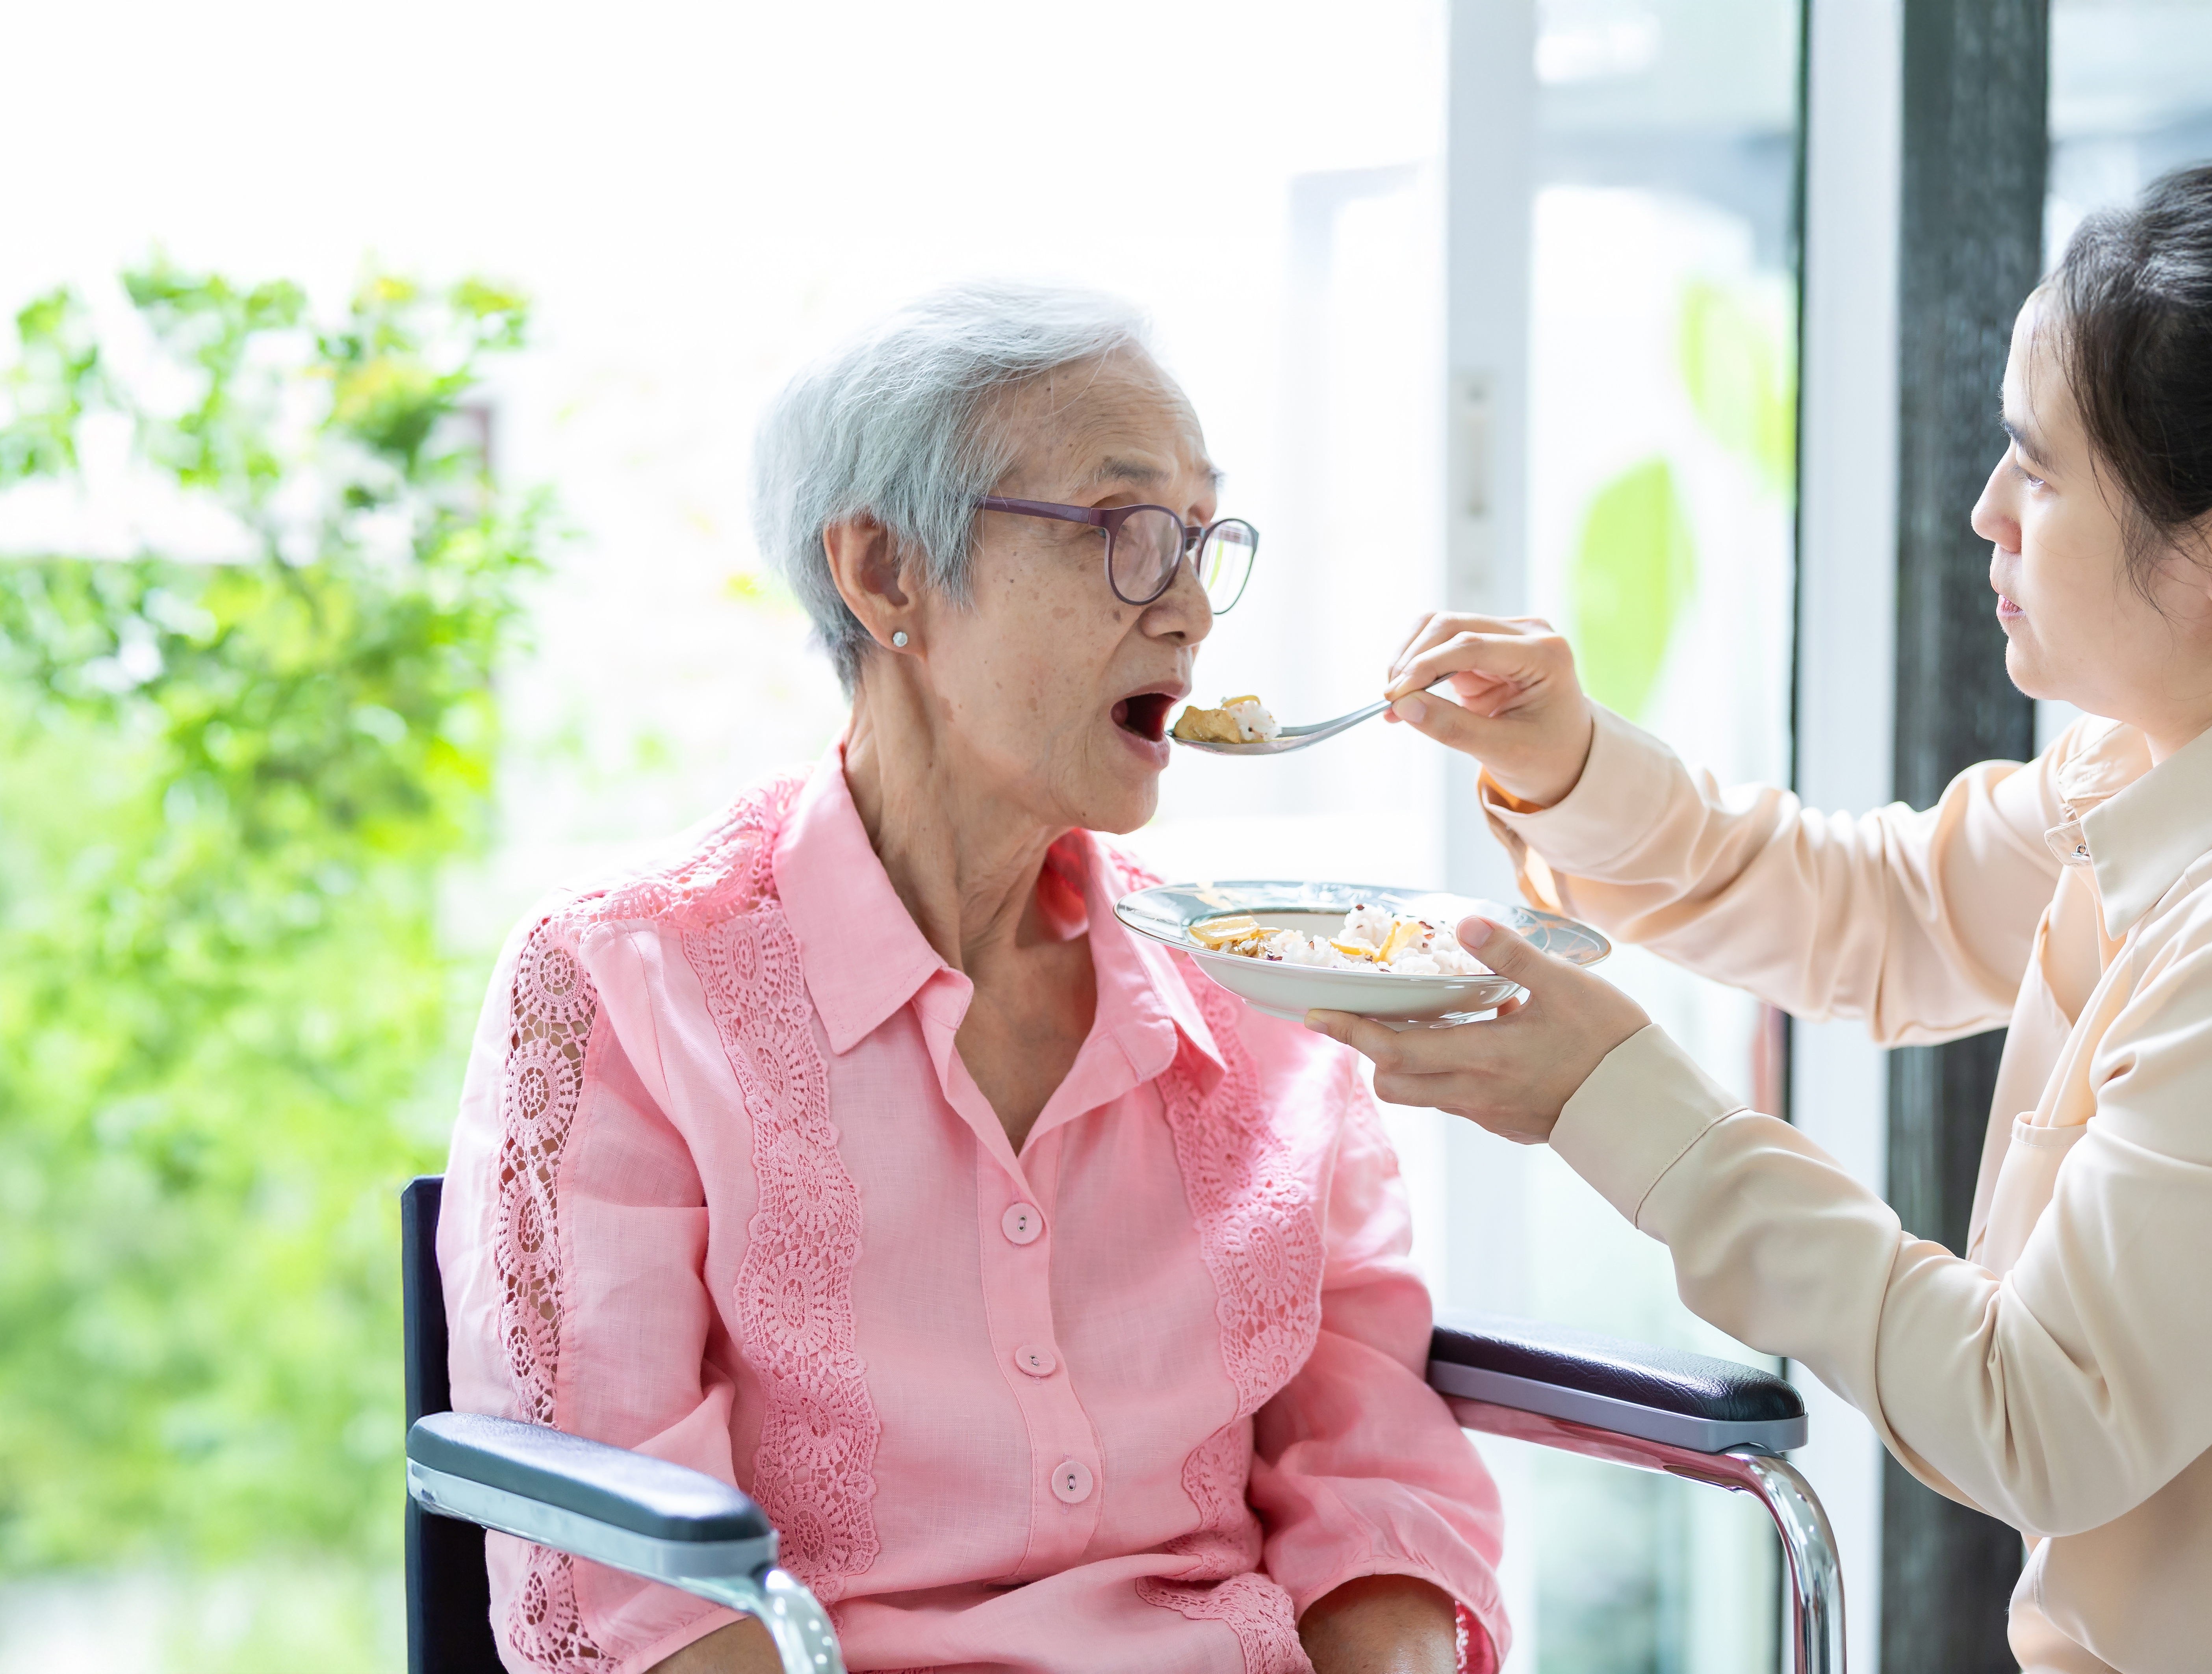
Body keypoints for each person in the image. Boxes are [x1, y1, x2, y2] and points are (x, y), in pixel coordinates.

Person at [1310, 164, 2212, 1672]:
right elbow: (1886, 910)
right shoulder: (2180, 756)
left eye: (2038, 470)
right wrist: (1567, 764)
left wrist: (1616, 1099)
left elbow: (2037, 1411)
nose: (1985, 511)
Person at [436, 282, 1507, 1674]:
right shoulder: (626, 986)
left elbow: (1376, 1491)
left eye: (1199, 537)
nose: (1187, 608)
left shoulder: (1257, 1000)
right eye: (1125, 531)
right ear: (884, 574)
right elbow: (635, 1590)